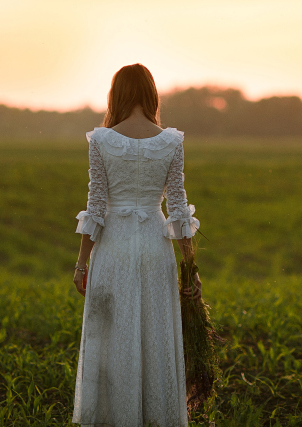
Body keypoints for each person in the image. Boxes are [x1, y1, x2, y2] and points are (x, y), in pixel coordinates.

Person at [71, 63, 202, 426]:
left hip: (113, 246)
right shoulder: (171, 141)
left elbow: (96, 206)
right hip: (155, 246)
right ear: (151, 93)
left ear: (117, 94)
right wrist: (191, 269)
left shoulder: (101, 140)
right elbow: (177, 208)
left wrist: (82, 264)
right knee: (155, 338)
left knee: (112, 336)